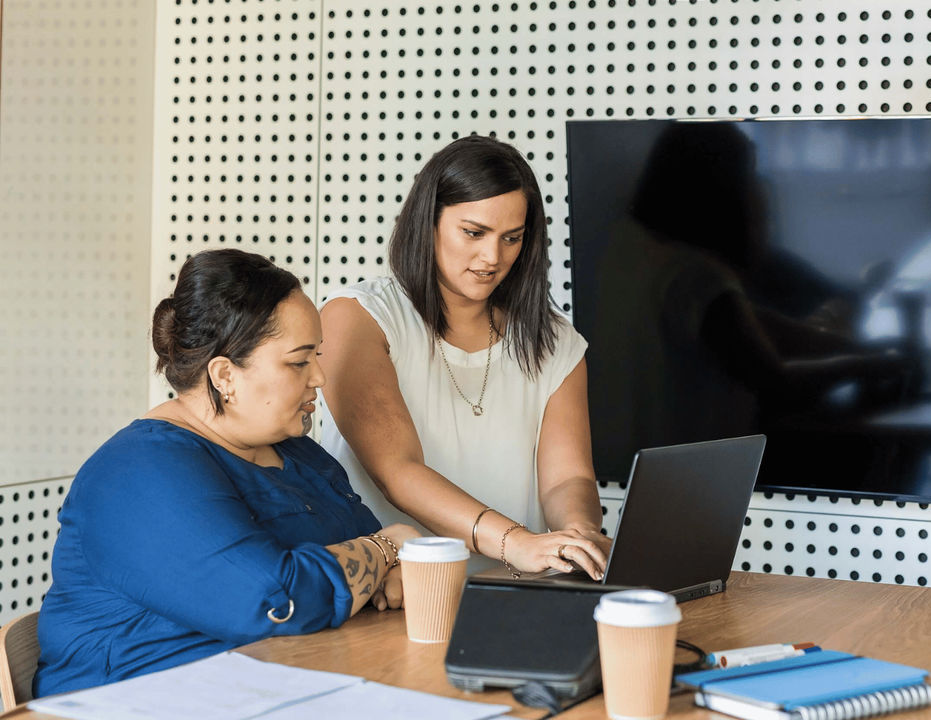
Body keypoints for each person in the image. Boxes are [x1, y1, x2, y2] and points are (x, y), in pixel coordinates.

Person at [34, 250, 419, 696]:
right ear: (224, 376)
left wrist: (383, 561)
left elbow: (377, 574)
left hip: (276, 691)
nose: (319, 377)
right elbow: (272, 601)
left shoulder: (299, 454)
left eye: (317, 356)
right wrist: (387, 545)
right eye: (298, 362)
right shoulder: (137, 473)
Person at [318, 135, 610, 579]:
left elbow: (568, 479)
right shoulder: (357, 317)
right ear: (427, 222)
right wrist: (517, 542)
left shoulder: (555, 339)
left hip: (510, 596)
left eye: (511, 238)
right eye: (473, 232)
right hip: (389, 593)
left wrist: (577, 536)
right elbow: (398, 472)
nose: (492, 257)